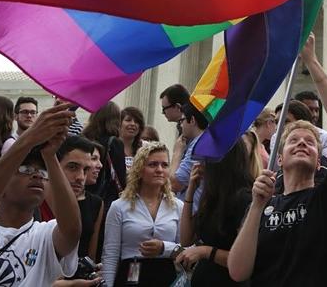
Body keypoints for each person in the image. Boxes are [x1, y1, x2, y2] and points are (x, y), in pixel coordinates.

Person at [228, 33, 327, 286]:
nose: (302, 144)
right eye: (293, 141)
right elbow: (238, 270)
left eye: (309, 143)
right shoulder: (264, 204)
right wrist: (255, 207)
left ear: (320, 162)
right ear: (279, 160)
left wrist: (311, 61)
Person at [0, 103, 81, 287]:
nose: (36, 175)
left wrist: (50, 156)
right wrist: (29, 138)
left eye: (42, 173)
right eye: (25, 169)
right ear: (1, 183)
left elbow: (72, 230)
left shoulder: (44, 235)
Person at [102, 142, 182, 286]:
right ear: (139, 169)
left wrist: (164, 248)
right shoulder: (119, 206)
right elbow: (110, 254)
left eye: (164, 165)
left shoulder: (177, 206)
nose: (159, 170)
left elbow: (185, 248)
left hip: (166, 276)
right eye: (153, 164)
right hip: (131, 274)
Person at [177, 138, 252, 286]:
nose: (200, 165)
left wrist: (206, 251)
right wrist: (190, 191)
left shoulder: (244, 199)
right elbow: (186, 238)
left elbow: (243, 260)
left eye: (205, 160)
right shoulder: (213, 196)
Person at [40, 136, 105, 262]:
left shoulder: (94, 205)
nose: (81, 177)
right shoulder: (32, 202)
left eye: (85, 170)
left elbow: (90, 257)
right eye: (73, 167)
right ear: (53, 165)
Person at [82, 102, 127, 207]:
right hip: (106, 197)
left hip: (83, 191)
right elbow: (120, 176)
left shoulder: (84, 138)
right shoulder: (115, 142)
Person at [171, 103, 208, 206]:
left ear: (192, 120)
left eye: (182, 121)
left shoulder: (198, 146)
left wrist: (177, 153)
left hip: (192, 211)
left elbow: (175, 184)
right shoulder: (202, 141)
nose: (181, 125)